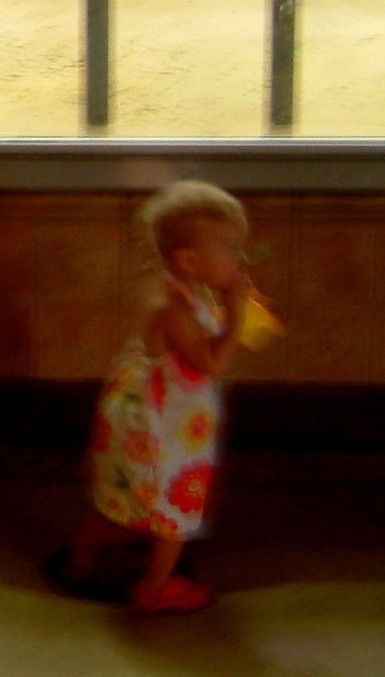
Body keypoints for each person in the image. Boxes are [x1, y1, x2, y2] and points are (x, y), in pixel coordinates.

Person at [60, 180, 253, 616]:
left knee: (124, 491)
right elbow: (214, 364)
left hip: (150, 414)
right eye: (230, 250)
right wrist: (237, 313)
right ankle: (156, 587)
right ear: (189, 260)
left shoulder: (178, 289)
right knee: (176, 509)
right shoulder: (174, 308)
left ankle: (84, 554)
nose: (239, 260)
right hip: (163, 428)